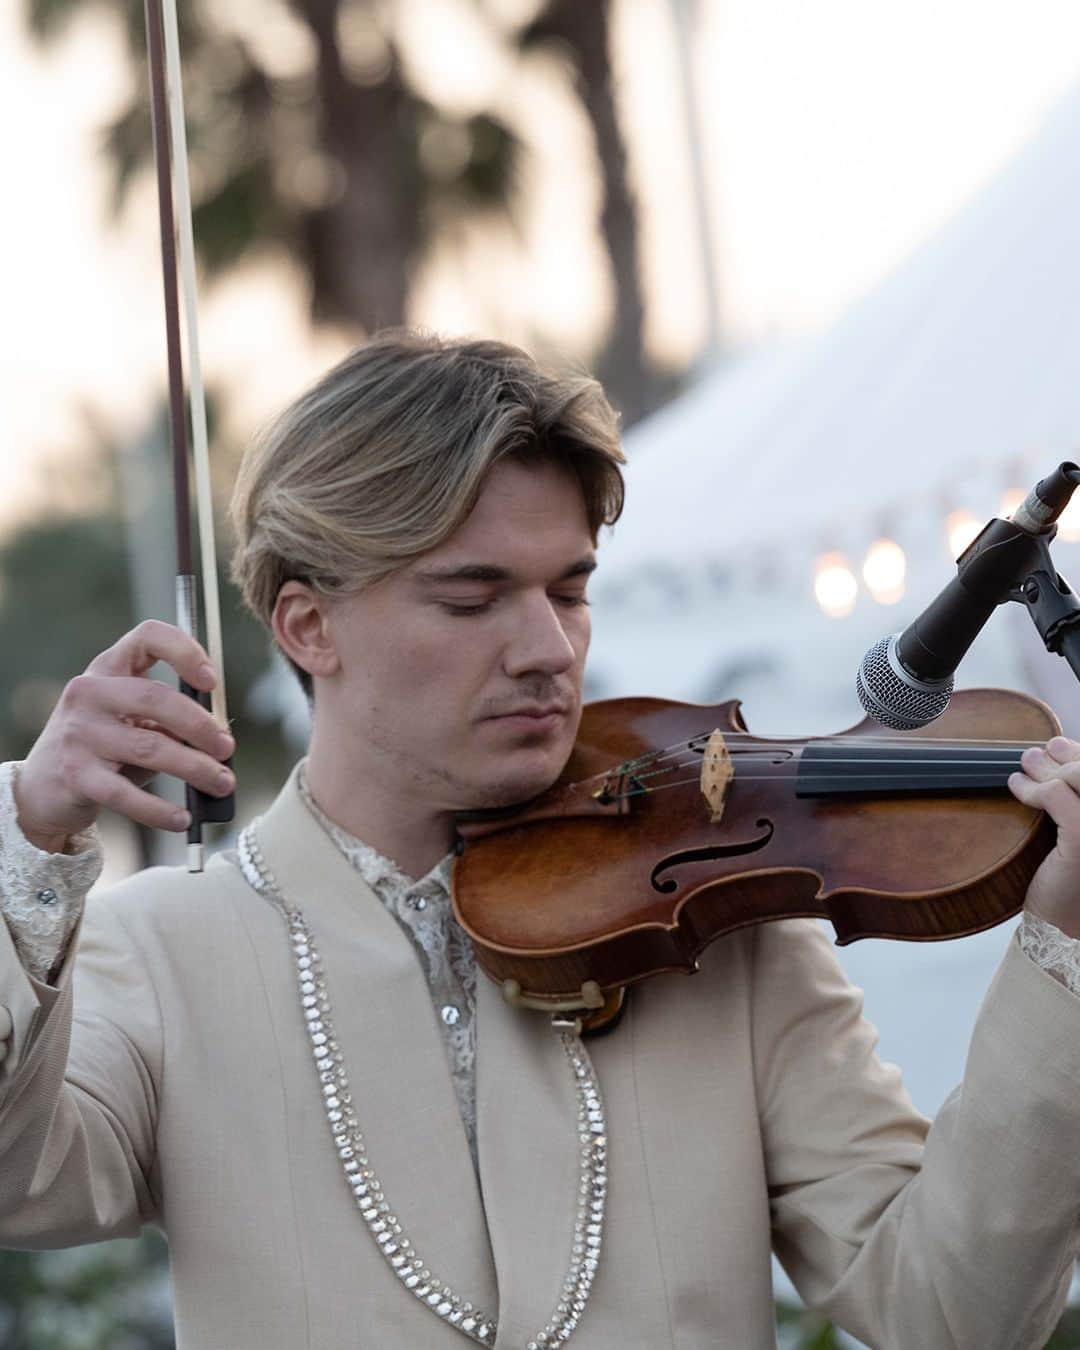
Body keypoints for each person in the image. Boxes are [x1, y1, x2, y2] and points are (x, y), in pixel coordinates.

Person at [2, 330, 1080, 1350]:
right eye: (473, 599)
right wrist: (30, 840)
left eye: (569, 591)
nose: (547, 648)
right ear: (306, 623)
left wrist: (1065, 954)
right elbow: (20, 1181)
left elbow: (949, 1309)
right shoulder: (156, 952)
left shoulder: (721, 927)